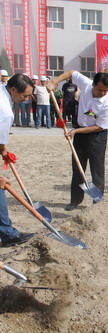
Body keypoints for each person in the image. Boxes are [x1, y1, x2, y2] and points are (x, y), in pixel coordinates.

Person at [47, 71, 108, 211]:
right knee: (78, 169)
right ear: (93, 85)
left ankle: (97, 202)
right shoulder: (86, 84)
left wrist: (76, 131)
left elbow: (99, 126)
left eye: (106, 90)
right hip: (80, 131)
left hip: (97, 136)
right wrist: (55, 82)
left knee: (97, 170)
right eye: (99, 89)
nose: (102, 93)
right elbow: (71, 73)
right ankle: (75, 200)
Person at [0, 74, 36, 246]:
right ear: (13, 89)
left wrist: (3, 150)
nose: (27, 99)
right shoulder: (6, 112)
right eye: (25, 95)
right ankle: (9, 235)